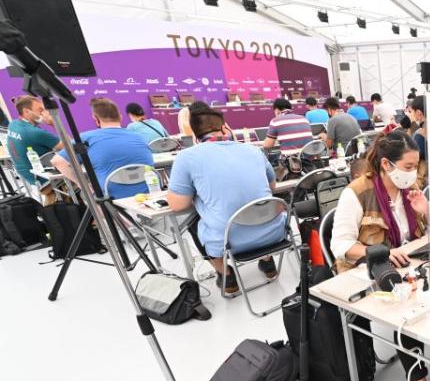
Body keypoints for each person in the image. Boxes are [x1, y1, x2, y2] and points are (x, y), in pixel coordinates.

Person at [330, 130, 430, 381]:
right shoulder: (356, 193)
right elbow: (340, 246)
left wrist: (427, 211)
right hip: (368, 274)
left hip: (406, 265)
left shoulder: (410, 190)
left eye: (415, 166)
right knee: (408, 311)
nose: (414, 173)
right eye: (408, 167)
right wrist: (377, 251)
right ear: (385, 164)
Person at [166, 108, 287, 295]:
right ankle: (267, 261)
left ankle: (227, 274)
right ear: (225, 128)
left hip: (230, 240)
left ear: (195, 134)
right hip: (275, 231)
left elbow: (177, 205)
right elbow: (271, 189)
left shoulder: (186, 158)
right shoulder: (253, 150)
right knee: (260, 205)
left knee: (193, 223)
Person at [53, 98, 155, 199]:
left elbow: (58, 161)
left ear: (96, 119)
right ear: (120, 117)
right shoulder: (139, 136)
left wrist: (85, 186)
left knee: (84, 194)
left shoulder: (85, 138)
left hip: (110, 201)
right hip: (148, 197)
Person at [6, 96, 62, 199]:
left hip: (26, 175)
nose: (44, 113)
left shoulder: (13, 124)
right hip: (44, 180)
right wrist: (54, 123)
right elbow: (69, 146)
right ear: (27, 111)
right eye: (40, 110)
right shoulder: (34, 133)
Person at [409, 95, 427, 161]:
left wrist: (411, 123)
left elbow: (411, 159)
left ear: (419, 113)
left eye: (412, 111)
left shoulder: (419, 137)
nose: (411, 114)